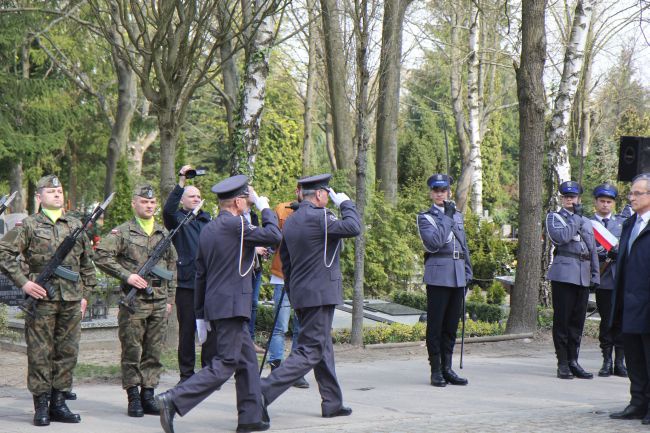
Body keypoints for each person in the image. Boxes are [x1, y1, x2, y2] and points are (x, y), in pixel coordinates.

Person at [156, 175, 281, 433]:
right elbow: (274, 235)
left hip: (221, 305)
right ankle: (174, 399)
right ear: (237, 202)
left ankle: (250, 417)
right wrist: (264, 206)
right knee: (225, 363)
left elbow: (200, 273)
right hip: (232, 305)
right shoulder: (236, 225)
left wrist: (201, 313)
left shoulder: (210, 228)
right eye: (246, 200)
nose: (248, 203)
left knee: (246, 362)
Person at [261, 173, 361, 419]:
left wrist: (295, 291)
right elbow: (353, 227)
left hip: (304, 295)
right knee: (309, 351)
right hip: (319, 295)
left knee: (322, 347)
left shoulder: (292, 218)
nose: (328, 196)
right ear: (318, 194)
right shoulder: (320, 217)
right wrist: (346, 203)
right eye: (327, 193)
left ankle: (332, 403)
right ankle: (259, 394)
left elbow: (285, 260)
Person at [0, 175, 96, 426]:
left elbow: (87, 264)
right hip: (42, 299)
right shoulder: (28, 225)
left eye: (60, 190)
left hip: (72, 300)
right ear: (39, 196)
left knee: (67, 353)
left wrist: (85, 296)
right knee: (40, 353)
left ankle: (59, 402)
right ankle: (41, 404)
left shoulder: (75, 226)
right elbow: (4, 253)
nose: (57, 194)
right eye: (51, 191)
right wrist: (24, 282)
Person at [95, 184, 177, 417]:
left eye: (152, 203)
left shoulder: (164, 233)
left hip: (159, 301)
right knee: (132, 350)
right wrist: (126, 275)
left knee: (154, 351)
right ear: (134, 204)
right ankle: (133, 396)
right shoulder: (122, 232)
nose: (149, 205)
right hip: (134, 304)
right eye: (144, 202)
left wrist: (170, 298)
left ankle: (148, 394)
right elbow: (101, 256)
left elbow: (172, 267)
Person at [416, 174, 472, 387]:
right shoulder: (426, 217)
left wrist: (468, 271)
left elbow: (463, 246)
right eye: (436, 190)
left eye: (444, 190)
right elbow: (434, 243)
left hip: (458, 274)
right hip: (439, 274)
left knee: (451, 325)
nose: (440, 194)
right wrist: (447, 217)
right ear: (431, 192)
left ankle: (448, 368)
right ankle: (436, 370)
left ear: (449, 192)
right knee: (436, 325)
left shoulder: (456, 215)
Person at [163, 165, 214, 383]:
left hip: (209, 282)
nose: (196, 199)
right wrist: (181, 181)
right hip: (186, 283)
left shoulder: (207, 220)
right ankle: (186, 374)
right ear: (183, 200)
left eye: (198, 196)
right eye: (191, 196)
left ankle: (209, 372)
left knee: (210, 330)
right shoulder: (177, 220)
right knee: (187, 331)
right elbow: (167, 210)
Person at [545, 180, 599, 379]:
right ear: (561, 198)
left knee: (577, 321)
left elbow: (592, 248)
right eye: (566, 196)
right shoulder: (554, 217)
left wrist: (595, 274)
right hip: (564, 274)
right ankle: (563, 362)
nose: (570, 199)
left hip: (583, 274)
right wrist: (576, 217)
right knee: (563, 320)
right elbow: (561, 238)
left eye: (573, 196)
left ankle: (574, 360)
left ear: (578, 198)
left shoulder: (585, 220)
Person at [610, 173, 650, 424]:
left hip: (647, 301)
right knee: (633, 356)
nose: (631, 197)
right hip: (628, 300)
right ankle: (638, 402)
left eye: (637, 193)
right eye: (631, 193)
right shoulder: (629, 224)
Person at [266, 197, 308, 388]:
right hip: (281, 276)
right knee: (279, 326)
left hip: (304, 279)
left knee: (301, 327)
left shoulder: (315, 213)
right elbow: (273, 238)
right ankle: (276, 368)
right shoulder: (281, 210)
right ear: (298, 191)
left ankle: (295, 370)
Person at [589, 183, 627, 377]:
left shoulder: (622, 223)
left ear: (614, 204)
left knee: (620, 320)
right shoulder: (588, 224)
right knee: (606, 320)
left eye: (609, 201)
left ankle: (620, 362)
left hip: (620, 278)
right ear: (595, 202)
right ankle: (606, 361)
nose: (605, 205)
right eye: (602, 201)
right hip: (603, 278)